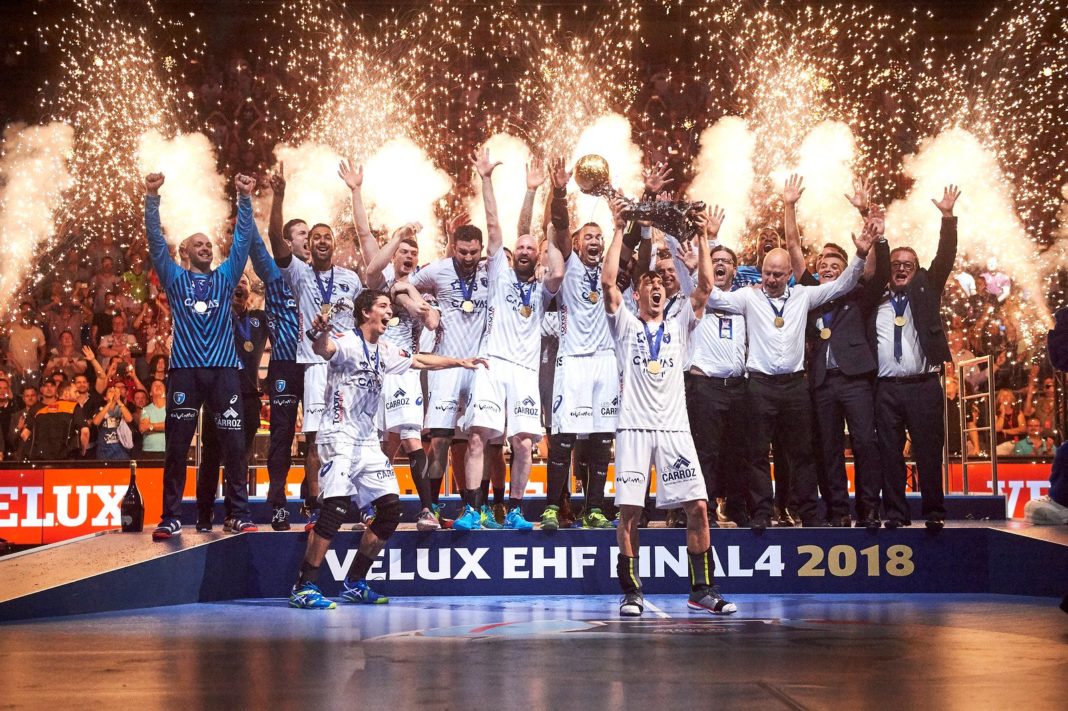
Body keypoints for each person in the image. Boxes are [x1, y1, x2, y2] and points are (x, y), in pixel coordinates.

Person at [288, 289, 486, 609]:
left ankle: (354, 582)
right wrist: (322, 332)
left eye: (389, 307)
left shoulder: (385, 350)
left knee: (390, 510)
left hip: (367, 441)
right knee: (335, 509)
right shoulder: (347, 342)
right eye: (383, 306)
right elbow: (324, 348)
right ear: (366, 312)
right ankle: (303, 586)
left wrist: (460, 361)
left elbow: (419, 359)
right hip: (338, 437)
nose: (389, 312)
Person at [601, 196, 736, 617]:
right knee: (630, 512)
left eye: (661, 282)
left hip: (676, 429)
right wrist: (618, 228)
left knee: (698, 508)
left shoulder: (680, 324)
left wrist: (704, 237)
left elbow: (705, 288)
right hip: (634, 428)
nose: (657, 286)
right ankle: (632, 592)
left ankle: (702, 590)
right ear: (638, 292)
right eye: (649, 282)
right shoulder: (625, 324)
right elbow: (608, 284)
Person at [704, 217, 877, 531]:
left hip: (795, 386)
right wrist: (709, 248)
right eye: (767, 273)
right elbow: (713, 296)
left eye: (778, 274)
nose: (771, 279)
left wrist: (861, 255)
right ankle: (761, 513)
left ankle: (809, 514)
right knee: (757, 454)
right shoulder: (748, 297)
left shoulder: (803, 296)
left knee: (802, 453)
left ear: (788, 275)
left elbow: (843, 285)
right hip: (759, 385)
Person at [145, 171, 257, 540]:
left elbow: (242, 242)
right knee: (177, 447)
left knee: (235, 446)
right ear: (184, 252)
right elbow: (155, 242)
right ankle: (170, 516)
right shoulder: (174, 278)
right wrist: (152, 197)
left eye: (208, 244)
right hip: (185, 372)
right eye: (199, 244)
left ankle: (239, 514)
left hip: (224, 371)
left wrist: (244, 199)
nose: (206, 248)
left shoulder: (225, 279)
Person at [455, 152, 563, 531]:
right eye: (521, 247)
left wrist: (549, 226)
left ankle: (515, 510)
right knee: (477, 437)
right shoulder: (498, 272)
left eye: (532, 248)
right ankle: (472, 509)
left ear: (538, 255)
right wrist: (486, 179)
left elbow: (557, 268)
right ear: (513, 253)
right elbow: (493, 224)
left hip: (524, 371)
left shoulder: (544, 286)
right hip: (492, 362)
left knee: (523, 443)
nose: (525, 251)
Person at [266, 160, 372, 529]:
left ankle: (351, 501)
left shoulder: (350, 278)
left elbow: (361, 321)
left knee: (351, 433)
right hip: (312, 364)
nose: (323, 241)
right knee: (315, 437)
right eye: (316, 237)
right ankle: (314, 503)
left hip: (345, 365)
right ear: (308, 245)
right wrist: (278, 197)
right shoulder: (298, 273)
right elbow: (275, 240)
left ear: (334, 243)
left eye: (328, 237)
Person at [784, 176, 890, 528]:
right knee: (827, 448)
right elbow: (793, 248)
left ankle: (869, 508)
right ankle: (837, 511)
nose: (828, 269)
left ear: (847, 271)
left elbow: (876, 266)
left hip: (855, 379)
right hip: (821, 382)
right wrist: (789, 206)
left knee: (864, 443)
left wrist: (866, 215)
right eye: (823, 265)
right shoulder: (810, 294)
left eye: (835, 265)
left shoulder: (860, 294)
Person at [872, 185, 960, 530]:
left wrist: (948, 218)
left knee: (928, 451)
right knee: (888, 453)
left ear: (917, 270)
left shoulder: (926, 289)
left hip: (924, 385)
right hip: (885, 388)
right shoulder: (875, 299)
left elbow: (945, 257)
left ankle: (934, 512)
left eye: (908, 265)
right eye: (895, 264)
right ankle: (895, 514)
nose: (901, 269)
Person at [542, 157, 618, 530]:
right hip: (572, 359)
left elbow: (628, 243)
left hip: (605, 360)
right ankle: (552, 508)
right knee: (564, 439)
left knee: (602, 440)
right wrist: (559, 191)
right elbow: (559, 224)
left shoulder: (610, 268)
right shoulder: (568, 263)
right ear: (574, 243)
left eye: (598, 237)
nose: (595, 241)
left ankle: (595, 509)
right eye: (588, 236)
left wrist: (622, 215)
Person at [407, 204, 491, 525]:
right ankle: (432, 507)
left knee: (477, 440)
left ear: (481, 249)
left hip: (479, 367)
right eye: (462, 251)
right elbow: (404, 285)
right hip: (446, 366)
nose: (468, 257)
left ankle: (475, 508)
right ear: (453, 247)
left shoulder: (489, 271)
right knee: (440, 441)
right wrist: (424, 307)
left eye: (473, 252)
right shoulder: (438, 269)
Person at [364, 223, 441, 529]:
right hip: (375, 370)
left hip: (405, 370)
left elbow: (431, 321)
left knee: (411, 439)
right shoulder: (379, 283)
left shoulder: (421, 287)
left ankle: (427, 510)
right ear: (393, 256)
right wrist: (403, 297)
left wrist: (412, 298)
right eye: (403, 252)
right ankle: (374, 509)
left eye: (413, 253)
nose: (408, 257)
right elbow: (371, 266)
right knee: (384, 445)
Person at [195, 274, 269, 532]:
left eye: (244, 282)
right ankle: (204, 515)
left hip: (248, 398)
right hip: (217, 396)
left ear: (250, 292)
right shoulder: (214, 317)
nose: (239, 285)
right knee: (211, 457)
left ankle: (233, 514)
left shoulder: (260, 319)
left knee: (240, 458)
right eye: (235, 281)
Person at [253, 166, 304, 531]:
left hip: (316, 365)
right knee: (281, 436)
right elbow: (270, 237)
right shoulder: (274, 272)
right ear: (287, 241)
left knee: (318, 437)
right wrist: (278, 197)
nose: (308, 238)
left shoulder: (319, 275)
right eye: (301, 234)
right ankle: (278, 503)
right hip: (284, 363)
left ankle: (316, 501)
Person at [23, 379, 89, 460]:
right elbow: (85, 432)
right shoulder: (73, 407)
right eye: (75, 392)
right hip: (66, 459)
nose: (78, 395)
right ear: (66, 393)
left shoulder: (41, 411)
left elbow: (25, 435)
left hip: (43, 460)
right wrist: (83, 452)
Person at [91, 385, 134, 460]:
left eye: (115, 392)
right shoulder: (100, 409)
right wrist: (109, 403)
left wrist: (118, 400)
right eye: (110, 391)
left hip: (121, 449)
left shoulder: (121, 408)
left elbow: (129, 419)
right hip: (104, 449)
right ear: (105, 397)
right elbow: (96, 422)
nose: (113, 393)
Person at [139, 378, 167, 459]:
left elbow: (172, 426)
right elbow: (143, 428)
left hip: (168, 450)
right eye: (155, 385)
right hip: (149, 451)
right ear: (150, 393)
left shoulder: (172, 408)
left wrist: (150, 426)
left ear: (165, 391)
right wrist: (163, 426)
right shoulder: (145, 409)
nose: (158, 386)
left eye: (160, 385)